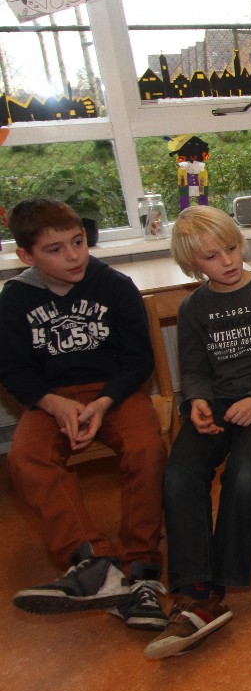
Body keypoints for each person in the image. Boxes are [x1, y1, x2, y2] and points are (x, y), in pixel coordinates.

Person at [144, 205, 251, 659]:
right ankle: (196, 589)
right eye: (212, 257)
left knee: (243, 469)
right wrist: (196, 401)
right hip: (218, 404)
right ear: (192, 264)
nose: (228, 261)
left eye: (232, 248)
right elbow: (194, 370)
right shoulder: (193, 308)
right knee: (180, 474)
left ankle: (212, 588)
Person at [1, 198, 168, 629]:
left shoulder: (115, 285)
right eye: (55, 249)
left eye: (77, 242)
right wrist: (53, 403)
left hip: (115, 393)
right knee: (25, 459)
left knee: (146, 448)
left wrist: (105, 401)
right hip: (51, 399)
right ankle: (94, 562)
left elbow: (138, 360)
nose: (74, 256)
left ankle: (141, 570)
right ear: (27, 256)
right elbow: (13, 370)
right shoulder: (15, 297)